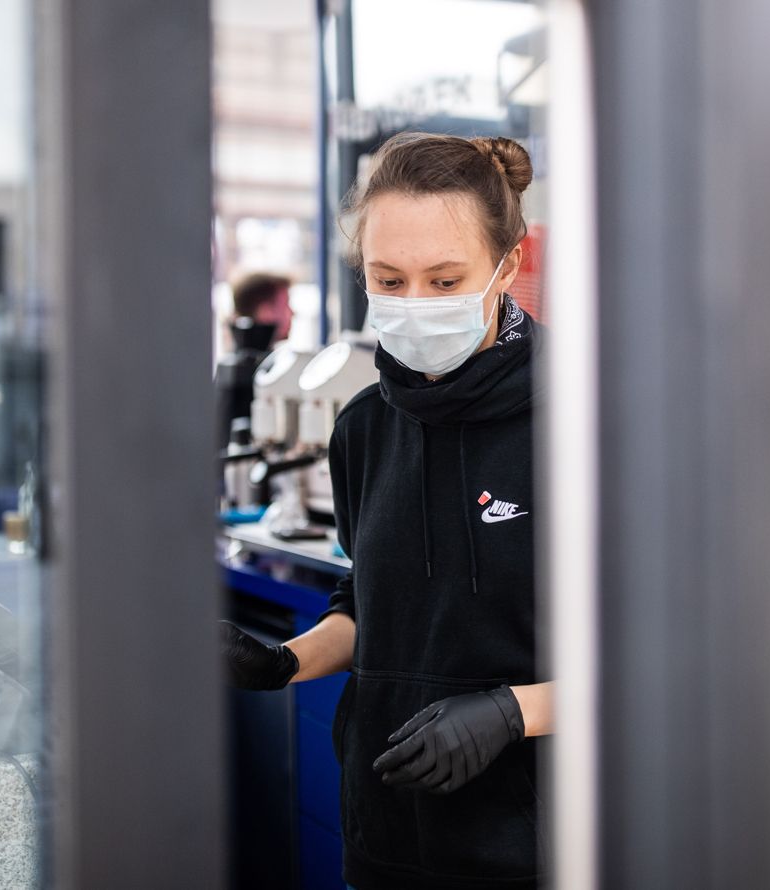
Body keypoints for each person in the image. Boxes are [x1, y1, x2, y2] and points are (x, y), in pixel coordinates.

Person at [221, 132, 552, 890]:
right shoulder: (363, 427)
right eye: (388, 279)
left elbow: (659, 663)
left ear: (508, 265)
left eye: (445, 280)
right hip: (384, 833)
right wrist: (287, 662)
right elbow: (369, 603)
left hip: (536, 847)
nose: (414, 305)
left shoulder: (585, 423)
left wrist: (512, 713)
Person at [214, 272, 293, 451]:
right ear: (265, 311)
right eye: (286, 305)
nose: (292, 313)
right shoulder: (257, 372)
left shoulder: (229, 366)